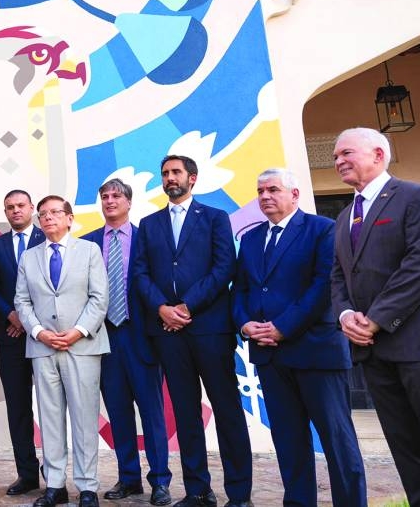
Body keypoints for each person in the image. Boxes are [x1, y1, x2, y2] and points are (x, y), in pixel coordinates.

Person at [233, 168, 366, 506]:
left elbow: (323, 286)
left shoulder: (322, 229)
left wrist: (282, 326)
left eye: (273, 189)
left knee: (337, 441)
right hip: (269, 356)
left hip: (315, 352)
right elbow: (241, 289)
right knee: (289, 441)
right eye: (260, 190)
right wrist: (245, 323)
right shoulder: (250, 238)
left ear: (294, 195)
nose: (264, 196)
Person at [133, 155, 252, 507]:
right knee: (185, 414)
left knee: (227, 411)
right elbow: (140, 273)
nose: (170, 178)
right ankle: (198, 490)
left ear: (192, 178)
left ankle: (240, 494)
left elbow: (223, 267)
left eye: (176, 172)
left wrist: (187, 306)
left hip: (210, 330)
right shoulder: (149, 223)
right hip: (168, 333)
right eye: (165, 174)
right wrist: (161, 308)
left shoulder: (214, 218)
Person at [330, 127, 420, 504]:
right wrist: (345, 316)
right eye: (336, 156)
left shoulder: (416, 197)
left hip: (419, 346)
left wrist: (374, 318)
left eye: (346, 153)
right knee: (406, 448)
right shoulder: (344, 218)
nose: (339, 160)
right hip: (372, 352)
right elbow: (338, 276)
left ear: (378, 154)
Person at [81, 179, 171, 506]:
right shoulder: (88, 244)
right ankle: (129, 478)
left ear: (129, 202)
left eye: (116, 196)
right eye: (104, 196)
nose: (109, 201)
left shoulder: (146, 238)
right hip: (105, 339)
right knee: (119, 414)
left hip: (142, 336)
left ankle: (160, 480)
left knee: (152, 414)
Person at [15, 195, 109, 507]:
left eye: (55, 213)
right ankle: (54, 485)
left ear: (69, 218)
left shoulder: (90, 250)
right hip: (43, 348)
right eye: (43, 215)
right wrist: (40, 332)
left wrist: (78, 331)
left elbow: (99, 298)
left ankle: (87, 487)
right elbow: (22, 301)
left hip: (82, 345)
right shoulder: (29, 257)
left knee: (84, 418)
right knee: (50, 418)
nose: (48, 218)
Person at [0, 189, 44, 497]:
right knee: (18, 408)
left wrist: (31, 321)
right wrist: (11, 315)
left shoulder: (46, 238)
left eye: (21, 205)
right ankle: (27, 474)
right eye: (10, 207)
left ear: (31, 207)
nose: (15, 211)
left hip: (45, 337)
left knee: (52, 406)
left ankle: (55, 473)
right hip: (10, 337)